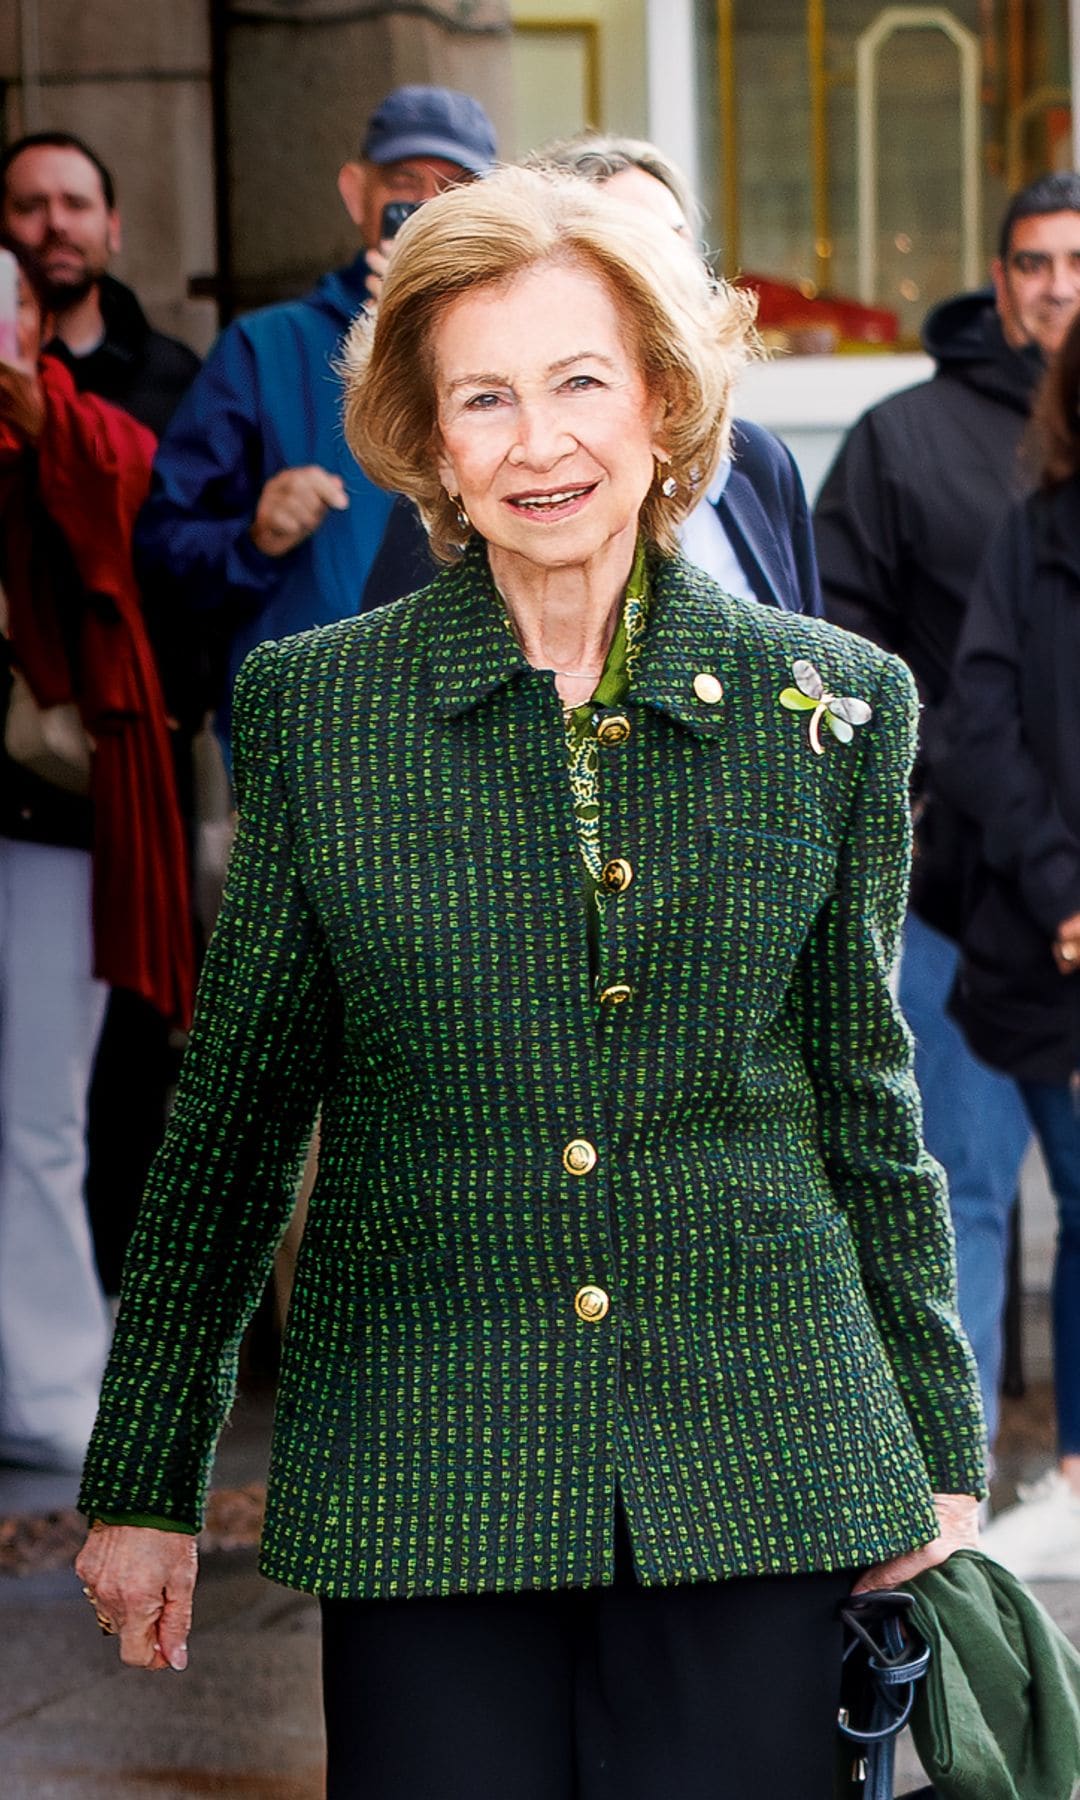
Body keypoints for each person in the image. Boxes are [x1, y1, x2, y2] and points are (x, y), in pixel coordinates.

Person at [75, 167, 985, 1799]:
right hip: (434, 1469)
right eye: (483, 397)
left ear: (663, 399)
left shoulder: (830, 705)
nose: (539, 441)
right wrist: (146, 1476)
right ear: (427, 437)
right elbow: (236, 1113)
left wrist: (941, 1454)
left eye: (579, 381)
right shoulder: (319, 711)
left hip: (763, 1457)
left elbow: (868, 1098)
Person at [815, 171, 1080, 1448]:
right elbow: (836, 635)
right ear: (998, 275)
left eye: (1078, 261)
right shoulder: (902, 437)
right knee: (955, 1200)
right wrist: (915, 787)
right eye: (1033, 262)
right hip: (952, 901)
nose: (1057, 284)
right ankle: (953, 1501)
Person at [132, 84, 497, 746]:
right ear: (357, 193)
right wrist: (255, 537)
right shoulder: (263, 347)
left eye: (453, 187)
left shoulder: (524, 353)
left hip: (478, 741)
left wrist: (435, 334)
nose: (425, 208)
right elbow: (163, 555)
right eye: (404, 183)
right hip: (306, 745)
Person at [0, 244, 192, 1472]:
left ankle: (58, 1386)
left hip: (45, 808)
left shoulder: (87, 434)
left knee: (40, 1115)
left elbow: (137, 552)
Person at [365, 131, 823, 619]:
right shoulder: (471, 477)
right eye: (486, 399)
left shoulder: (757, 463)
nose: (540, 447)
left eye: (673, 238)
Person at [930, 312, 1080, 1577]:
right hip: (1048, 941)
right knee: (1047, 1199)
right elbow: (981, 726)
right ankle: (1053, 1474)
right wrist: (1064, 889)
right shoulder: (1033, 538)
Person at [0, 132, 200, 438]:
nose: (57, 223)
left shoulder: (176, 374)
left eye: (77, 205)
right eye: (30, 207)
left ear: (113, 227)